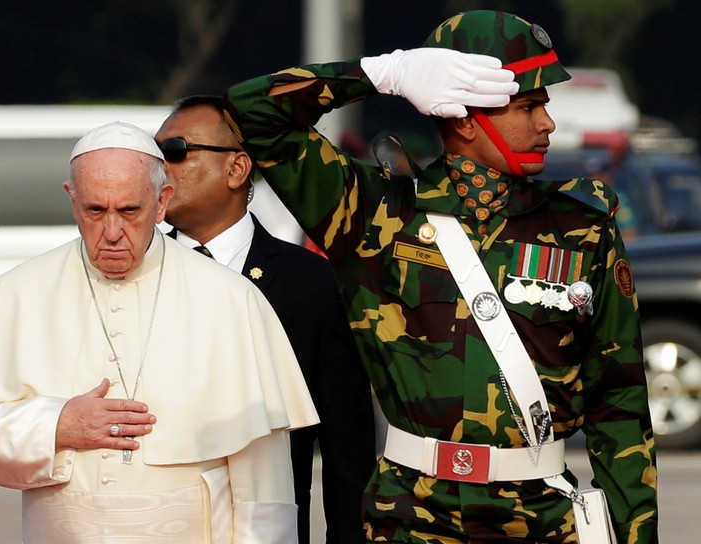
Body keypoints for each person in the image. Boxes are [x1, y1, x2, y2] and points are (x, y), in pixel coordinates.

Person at [223, 9, 658, 544]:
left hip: (542, 518)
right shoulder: (371, 212)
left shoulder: (583, 223)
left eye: (544, 105)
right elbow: (251, 112)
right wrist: (384, 74)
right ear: (466, 118)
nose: (547, 123)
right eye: (528, 105)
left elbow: (619, 406)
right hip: (409, 516)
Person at [0, 121, 319, 543]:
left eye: (129, 211)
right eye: (94, 211)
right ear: (72, 200)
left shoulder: (230, 298)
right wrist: (55, 425)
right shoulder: (19, 291)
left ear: (161, 203)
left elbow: (264, 487)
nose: (111, 233)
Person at [154, 94, 377, 544]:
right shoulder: (135, 271)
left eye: (175, 152)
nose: (159, 169)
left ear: (237, 168)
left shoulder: (310, 282)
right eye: (153, 154)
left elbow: (346, 450)